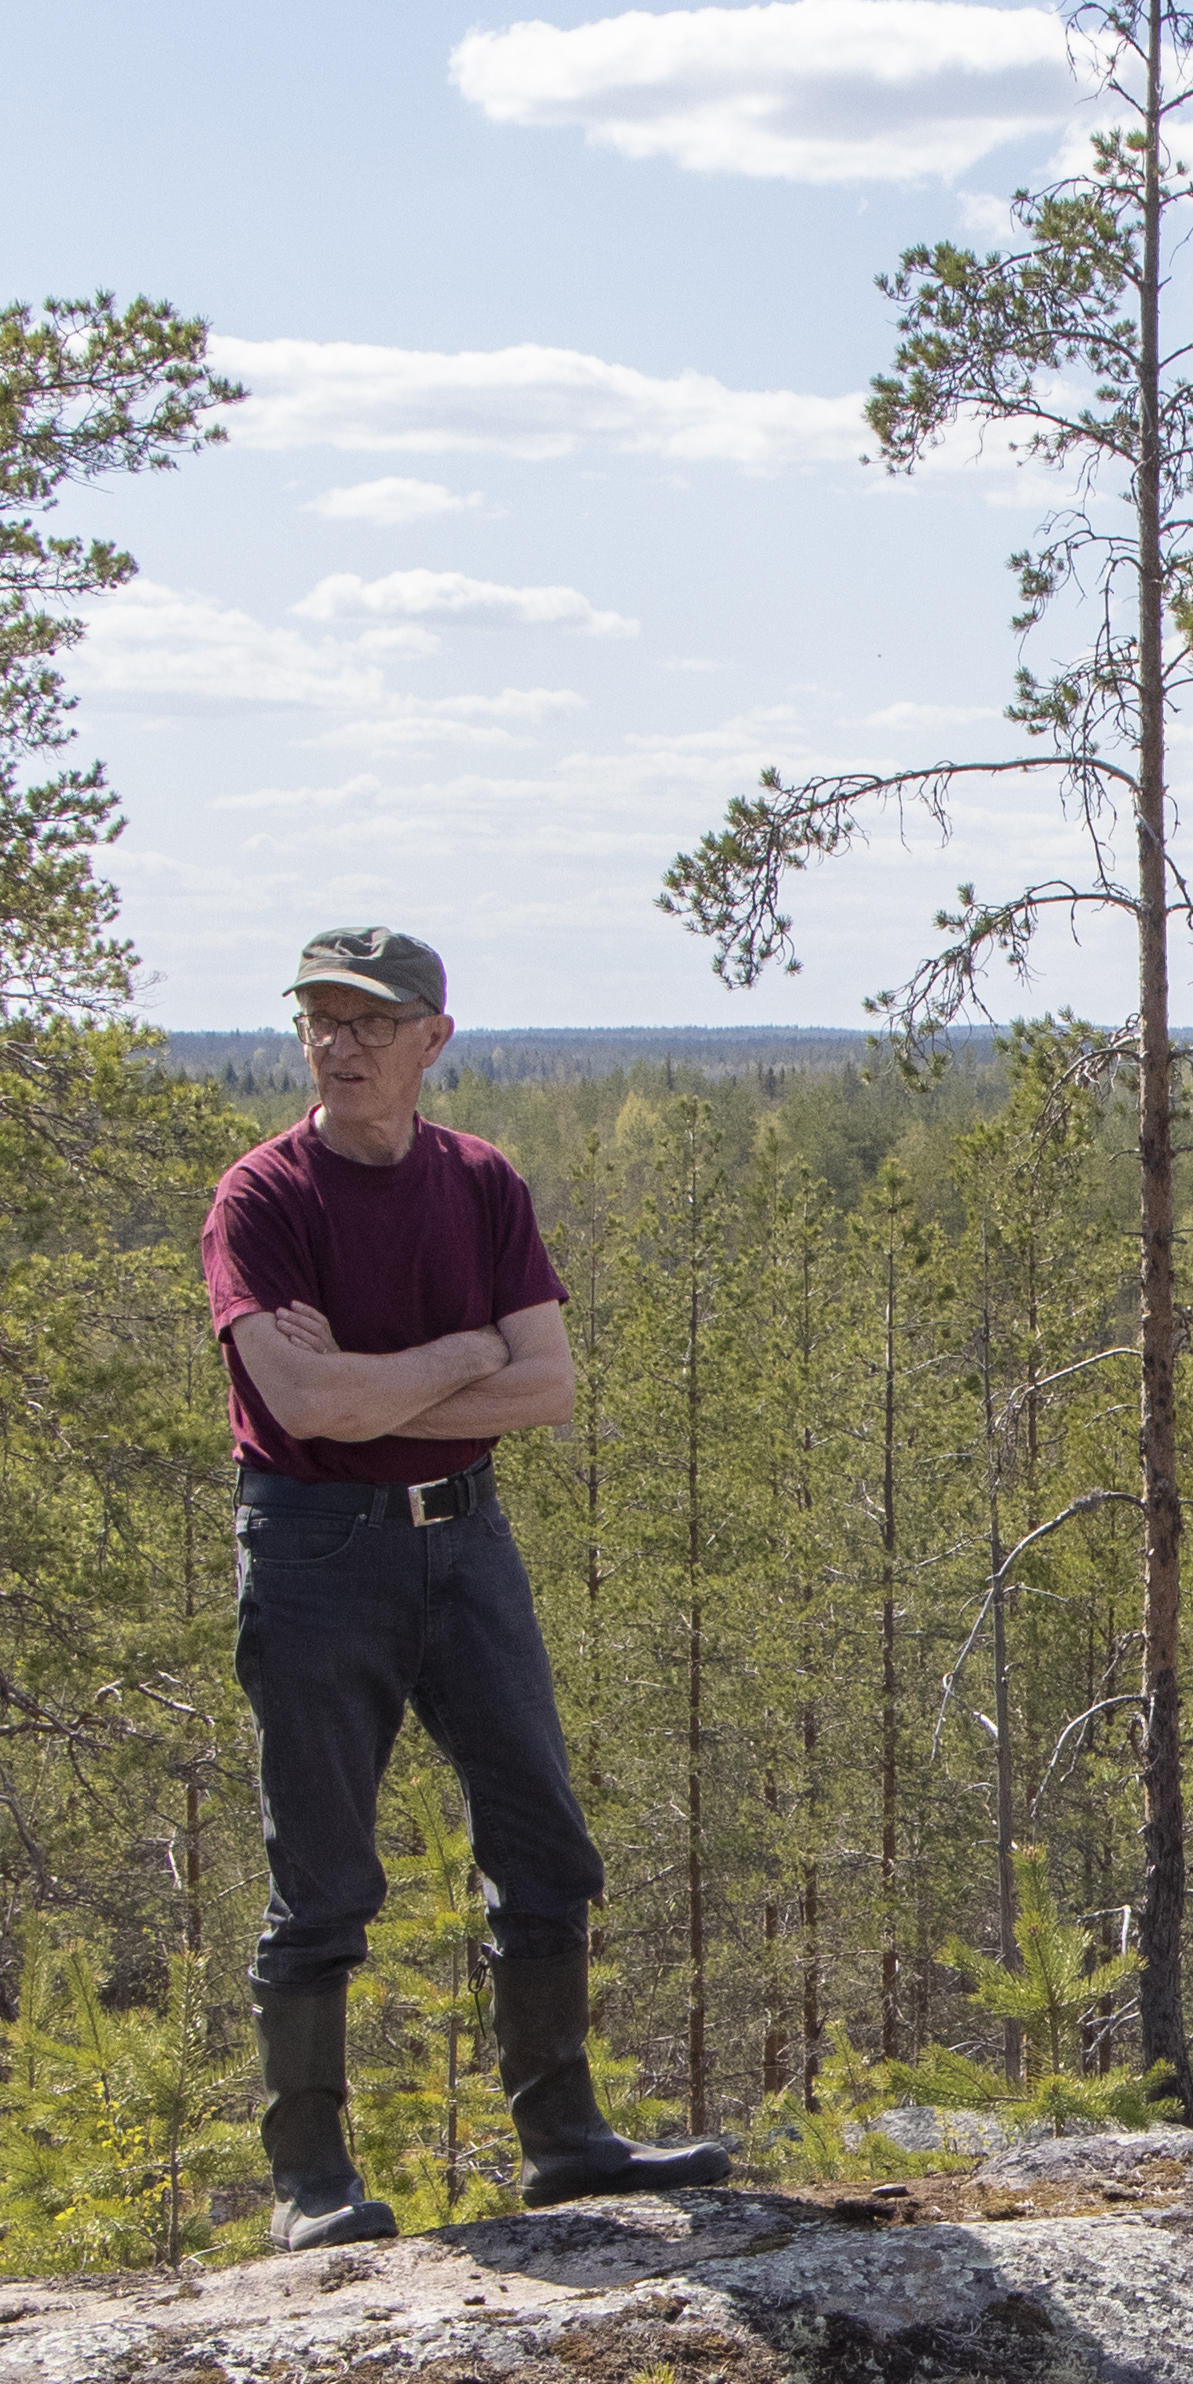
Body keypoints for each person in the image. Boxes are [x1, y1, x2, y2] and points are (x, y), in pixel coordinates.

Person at [202, 926, 723, 2248]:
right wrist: (462, 1351)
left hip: (466, 1536)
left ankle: (566, 2143)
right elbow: (306, 1403)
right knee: (322, 1868)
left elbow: (545, 1389)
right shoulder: (261, 1198)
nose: (342, 1044)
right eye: (321, 1018)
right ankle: (310, 2183)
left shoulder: (482, 1182)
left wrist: (378, 1384)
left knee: (542, 1840)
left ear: (433, 1037)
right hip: (313, 1547)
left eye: (372, 1021)